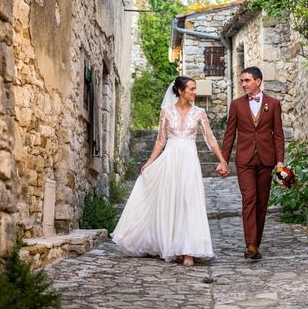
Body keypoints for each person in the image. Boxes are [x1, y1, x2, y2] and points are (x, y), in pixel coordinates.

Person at [112, 76, 229, 267]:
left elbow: (210, 138)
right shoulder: (166, 112)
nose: (194, 92)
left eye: (195, 88)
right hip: (170, 160)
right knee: (172, 201)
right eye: (191, 89)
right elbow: (160, 140)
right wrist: (149, 162)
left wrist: (222, 160)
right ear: (180, 91)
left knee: (189, 202)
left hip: (189, 161)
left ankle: (189, 251)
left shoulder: (199, 112)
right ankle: (172, 246)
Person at [219, 66, 285, 261]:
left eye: (247, 80)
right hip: (244, 160)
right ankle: (251, 246)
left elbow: (278, 136)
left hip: (266, 159)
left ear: (258, 81)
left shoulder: (273, 104)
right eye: (242, 81)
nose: (243, 84)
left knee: (262, 203)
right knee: (249, 199)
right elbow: (229, 134)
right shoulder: (236, 104)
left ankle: (256, 241)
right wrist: (224, 160)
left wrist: (280, 162)